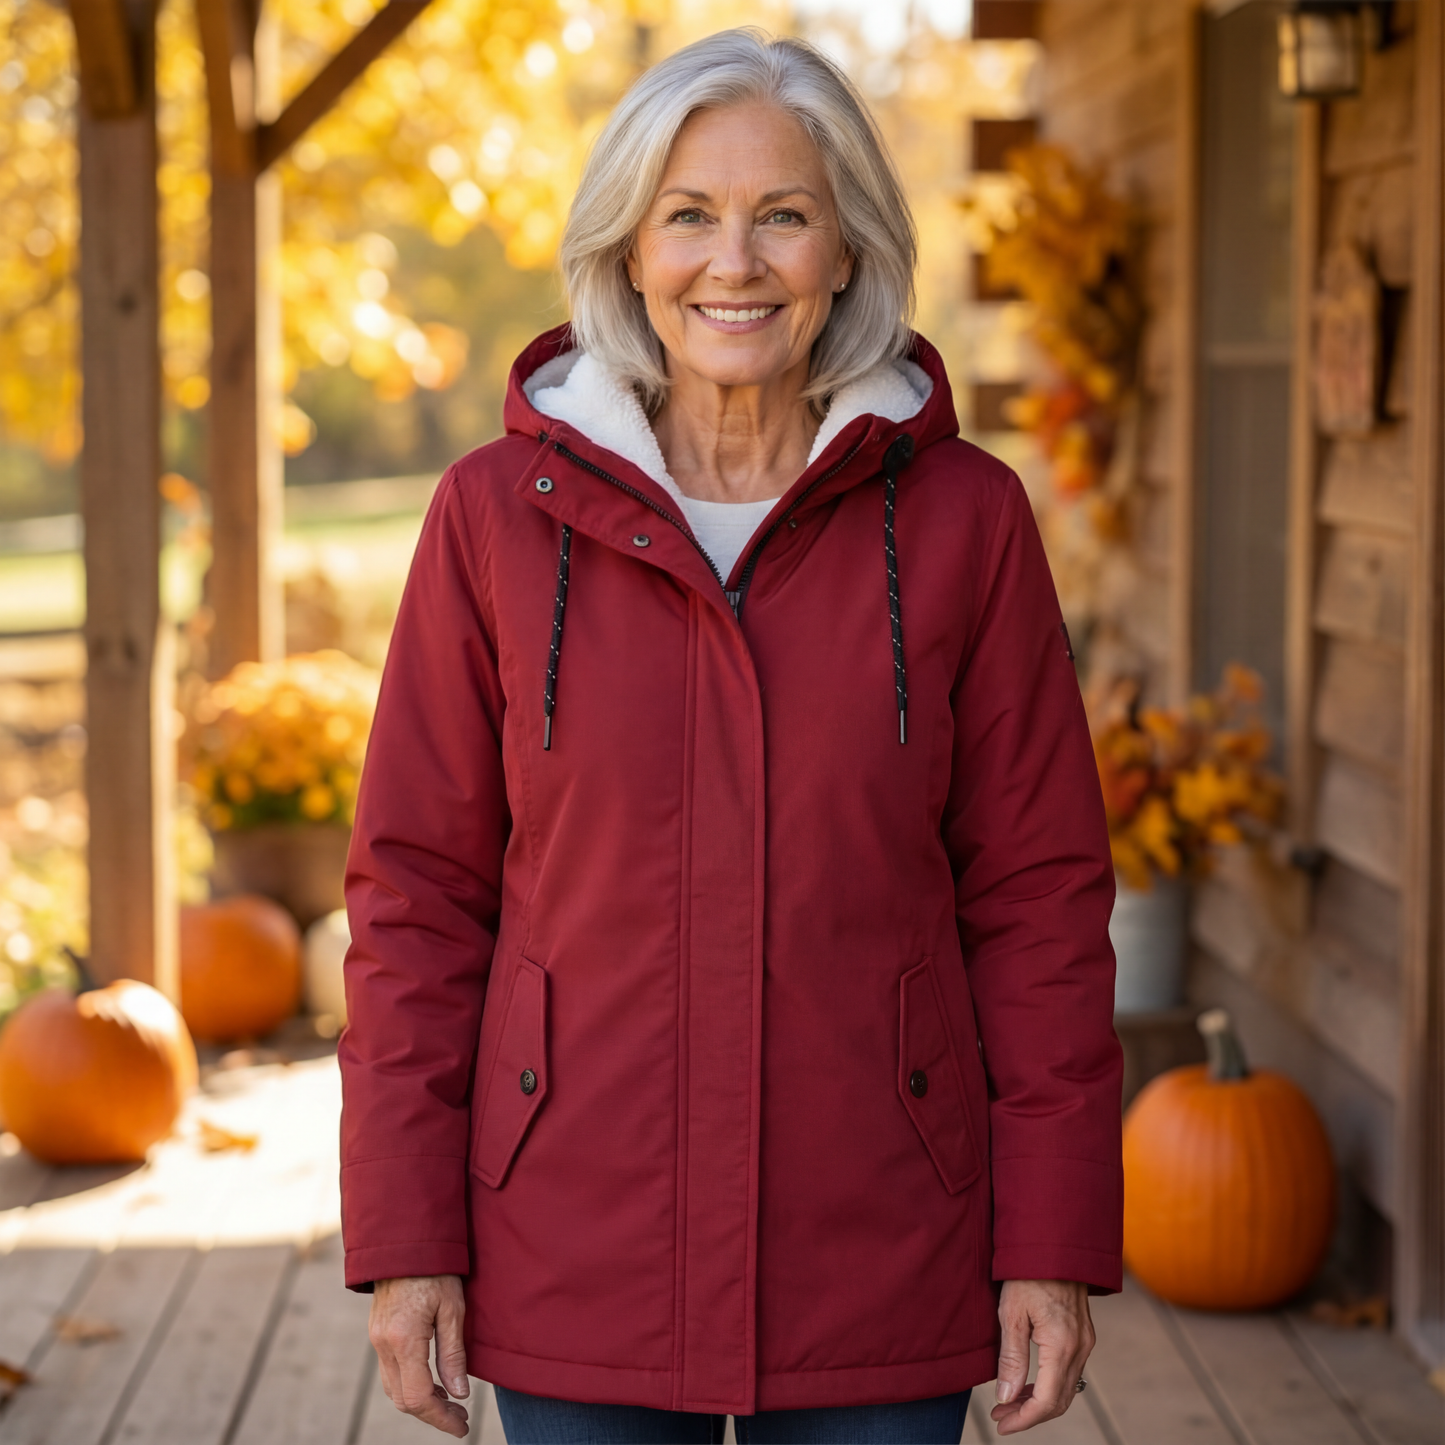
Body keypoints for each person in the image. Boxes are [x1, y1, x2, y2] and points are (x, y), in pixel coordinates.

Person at [339, 28, 1123, 1445]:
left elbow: (1039, 899)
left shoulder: (964, 523)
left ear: (846, 249)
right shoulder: (492, 521)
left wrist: (1051, 1240)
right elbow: (417, 898)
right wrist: (406, 1239)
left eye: (783, 215)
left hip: (882, 1246)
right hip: (577, 1237)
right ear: (629, 252)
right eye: (688, 215)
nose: (734, 262)